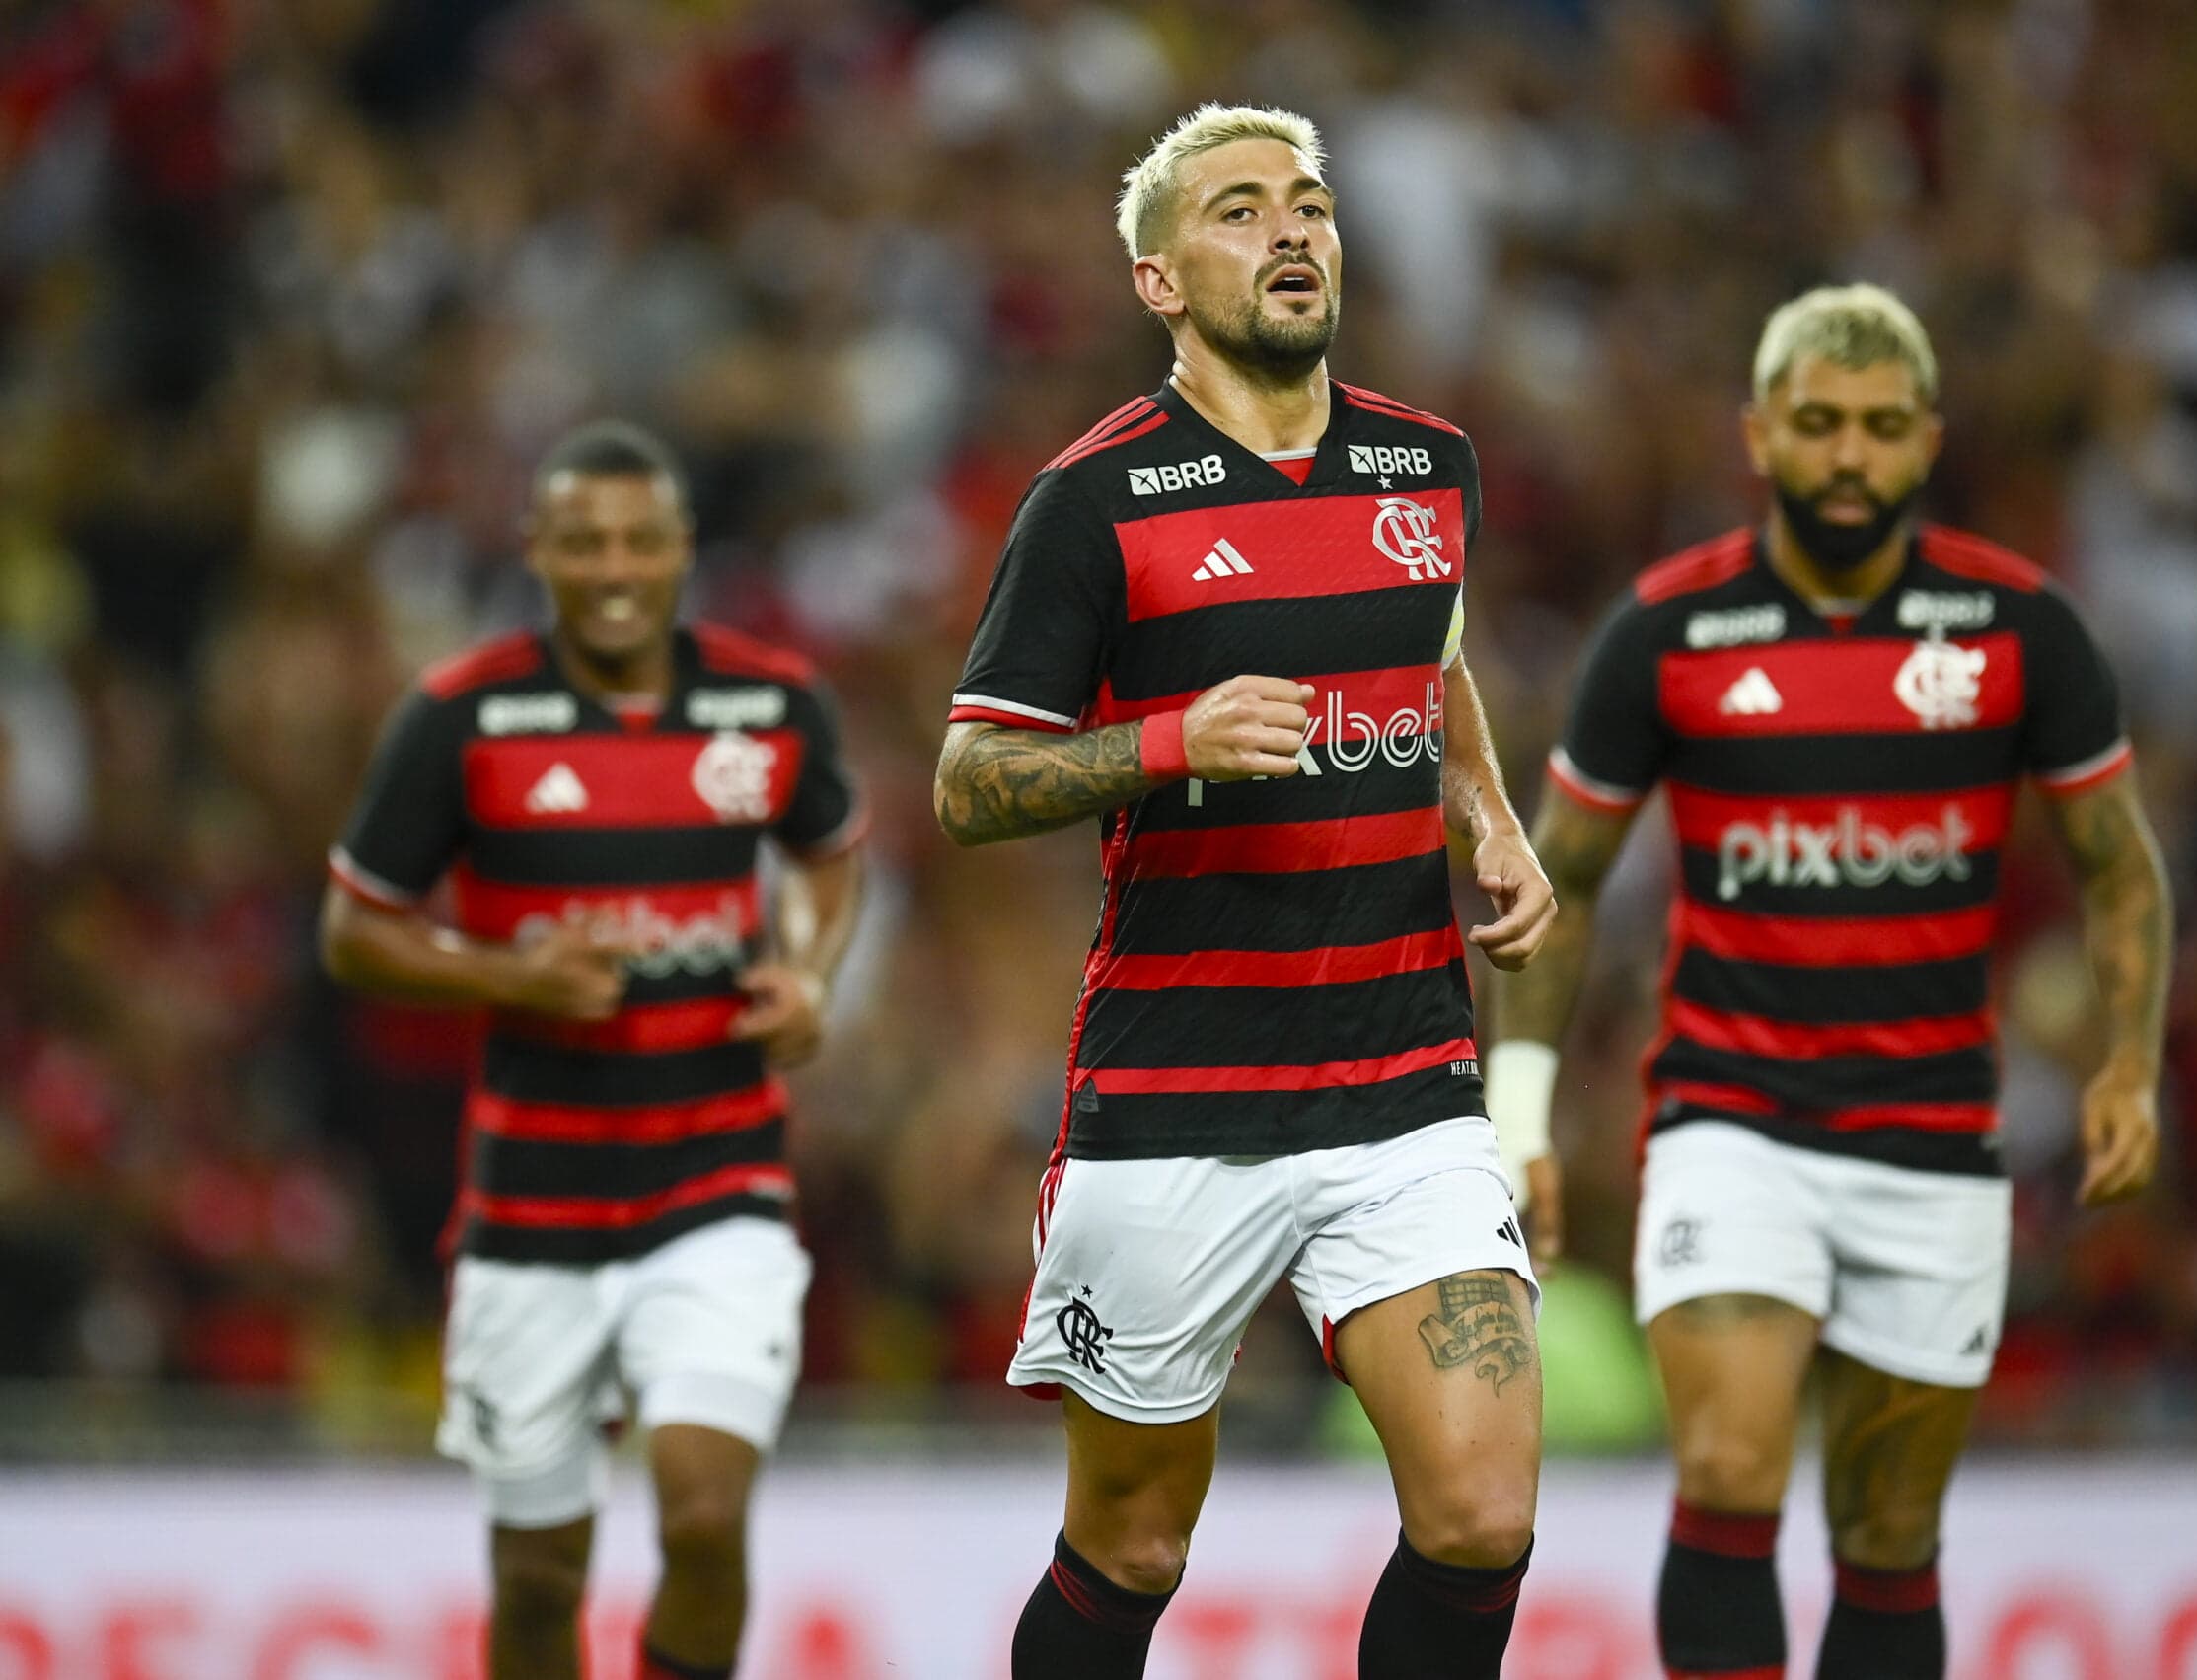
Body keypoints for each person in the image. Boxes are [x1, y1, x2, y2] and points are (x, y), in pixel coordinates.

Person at [933, 104, 1556, 1679]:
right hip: (1175, 1091)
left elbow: (1437, 654)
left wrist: (1486, 811)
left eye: (1308, 204)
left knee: (1481, 1511)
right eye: (1237, 211)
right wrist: (1166, 739)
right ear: (1160, 280)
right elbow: (968, 781)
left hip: (1404, 1075)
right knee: (1134, 1540)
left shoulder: (1429, 462)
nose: (1289, 230)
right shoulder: (1097, 500)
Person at [1489, 284, 2173, 1680]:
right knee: (1734, 1464)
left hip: (1932, 1134)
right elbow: (1549, 883)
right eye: (1815, 424)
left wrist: (2130, 1061)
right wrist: (1518, 1111)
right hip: (1730, 1117)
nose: (1846, 456)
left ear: (1927, 439)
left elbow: (2121, 867)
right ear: (1759, 433)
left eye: (1875, 427)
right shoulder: (1670, 633)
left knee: (1888, 1527)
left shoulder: (2019, 630)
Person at [319, 420, 866, 1680]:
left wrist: (810, 973)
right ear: (538, 552)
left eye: (637, 540)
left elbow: (833, 858)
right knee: (537, 1577)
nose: (612, 567)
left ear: (681, 549)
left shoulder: (770, 702)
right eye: (582, 542)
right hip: (528, 1211)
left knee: (705, 1513)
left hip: (716, 1178)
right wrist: (508, 972)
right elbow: (354, 926)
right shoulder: (463, 716)